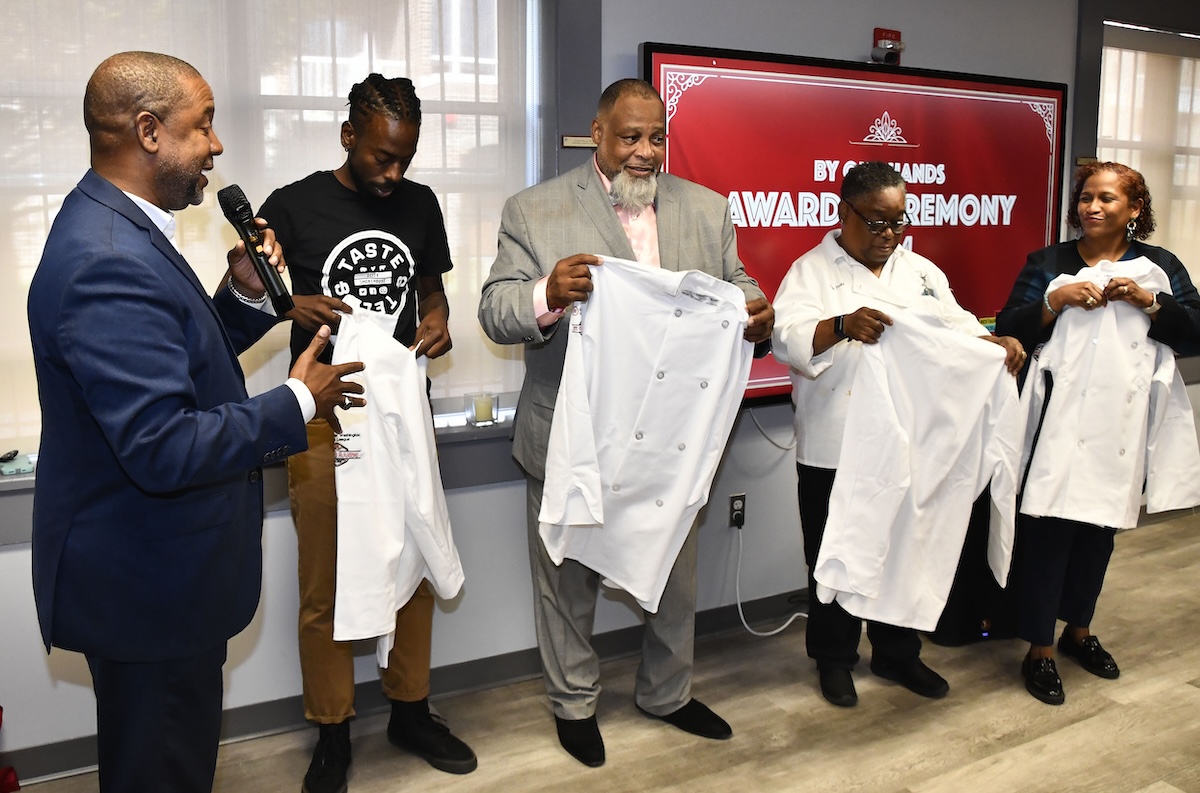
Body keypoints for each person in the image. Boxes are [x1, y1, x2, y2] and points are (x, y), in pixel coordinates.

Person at [26, 51, 363, 793]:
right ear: (149, 132)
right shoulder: (106, 257)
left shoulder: (121, 226)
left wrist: (240, 297)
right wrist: (297, 402)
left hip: (152, 577)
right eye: (202, 125)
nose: (216, 144)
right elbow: (163, 445)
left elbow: (171, 363)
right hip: (149, 590)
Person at [478, 78, 773, 768]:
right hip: (572, 435)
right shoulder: (536, 208)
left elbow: (742, 287)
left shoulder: (708, 209)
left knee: (674, 578)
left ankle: (667, 693)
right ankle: (574, 701)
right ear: (598, 134)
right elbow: (495, 310)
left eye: (657, 137)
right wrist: (547, 293)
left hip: (672, 441)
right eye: (630, 137)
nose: (645, 152)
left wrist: (758, 312)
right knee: (567, 584)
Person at [257, 74, 476, 792]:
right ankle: (331, 728)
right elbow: (246, 298)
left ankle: (410, 710)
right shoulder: (290, 205)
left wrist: (438, 317)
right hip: (321, 416)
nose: (394, 173)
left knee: (411, 558)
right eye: (382, 156)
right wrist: (291, 301)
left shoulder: (419, 203)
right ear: (348, 135)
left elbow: (431, 287)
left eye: (405, 157)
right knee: (326, 579)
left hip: (400, 410)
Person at [771, 161, 1026, 709]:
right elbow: (787, 339)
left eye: (899, 222)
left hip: (908, 443)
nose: (889, 235)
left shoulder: (921, 272)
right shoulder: (811, 271)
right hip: (835, 445)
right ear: (845, 214)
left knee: (900, 550)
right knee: (834, 554)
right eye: (877, 222)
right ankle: (835, 659)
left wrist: (996, 342)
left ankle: (896, 651)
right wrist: (841, 326)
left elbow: (958, 329)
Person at [995, 161, 1200, 705]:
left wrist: (1149, 302)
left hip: (1121, 426)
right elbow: (1007, 327)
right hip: (1058, 424)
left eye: (1107, 199)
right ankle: (1039, 649)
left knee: (1098, 533)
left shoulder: (1159, 266)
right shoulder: (1049, 262)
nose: (1092, 207)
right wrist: (1053, 303)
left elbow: (1197, 331)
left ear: (1134, 210)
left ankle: (1078, 631)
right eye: (1086, 197)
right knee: (1049, 532)